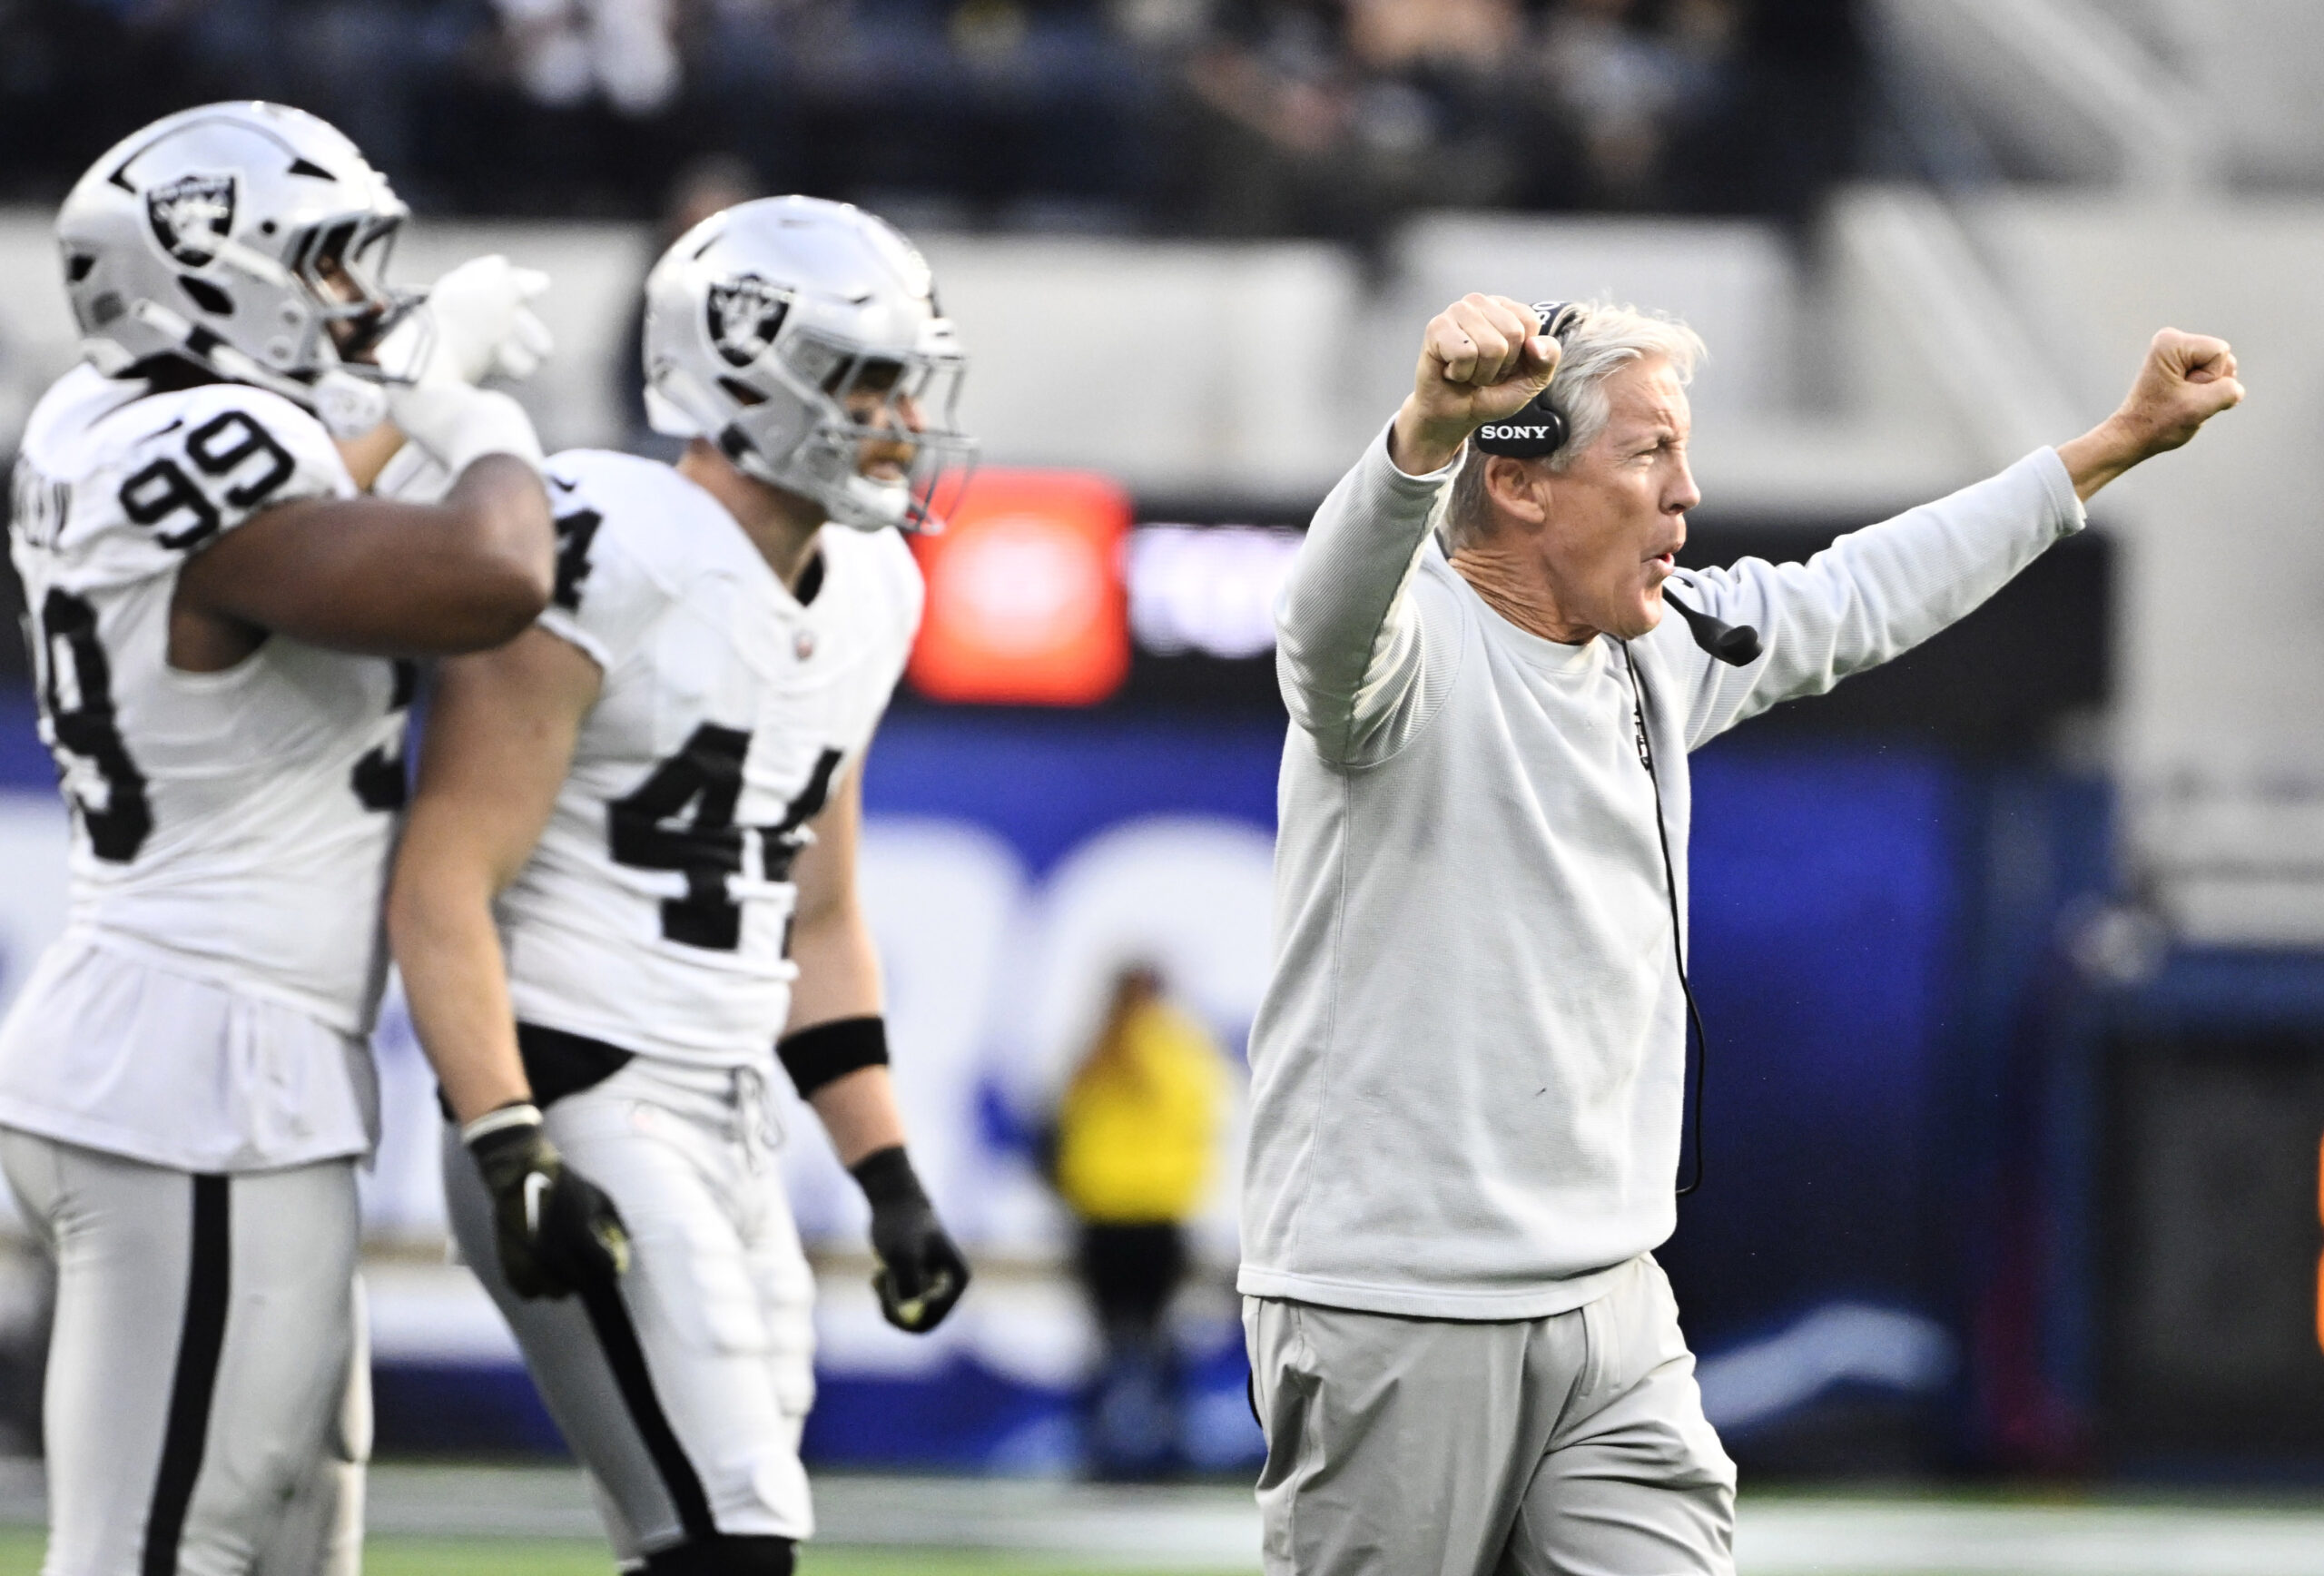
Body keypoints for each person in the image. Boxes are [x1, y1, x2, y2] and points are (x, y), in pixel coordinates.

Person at [1238, 291, 2243, 1575]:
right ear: (1526, 484)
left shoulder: (1660, 650)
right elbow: (1321, 623)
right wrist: (1424, 429)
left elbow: (1862, 590)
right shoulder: (1405, 653)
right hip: (1400, 1300)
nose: (1687, 493)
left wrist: (2111, 445)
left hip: (1611, 1298)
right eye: (1649, 451)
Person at [0, 102, 557, 1573]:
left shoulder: (100, 418)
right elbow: (493, 571)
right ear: (200, 270)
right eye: (321, 262)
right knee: (176, 1542)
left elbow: (299, 528)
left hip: (203, 1047)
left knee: (297, 1529)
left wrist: (408, 389)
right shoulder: (208, 445)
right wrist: (474, 417)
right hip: (200, 1062)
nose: (358, 300)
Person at [388, 194, 978, 1575]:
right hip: (576, 1088)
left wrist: (883, 1171)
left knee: (703, 1536)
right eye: (864, 378)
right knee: (728, 1540)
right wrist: (504, 1138)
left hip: (727, 1114)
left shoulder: (875, 585)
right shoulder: (610, 539)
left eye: (907, 379)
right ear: (743, 374)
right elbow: (443, 876)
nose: (899, 417)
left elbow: (814, 909)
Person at [1049, 963, 1231, 1479]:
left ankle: (1110, 1450)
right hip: (1151, 1216)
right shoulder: (1180, 1050)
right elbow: (1201, 1123)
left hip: (1110, 1216)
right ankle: (1160, 1449)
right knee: (1151, 1339)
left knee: (1116, 1341)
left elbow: (1068, 1132)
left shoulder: (1097, 1052)